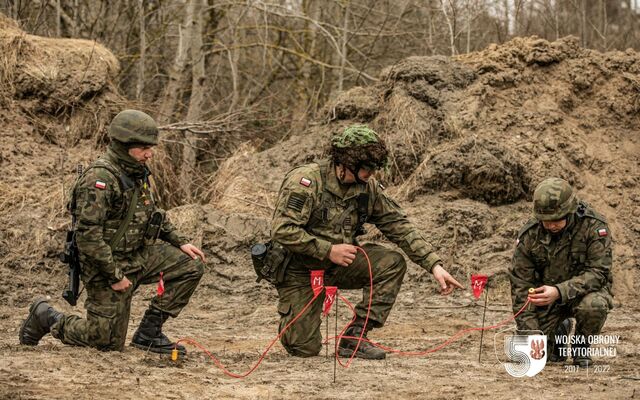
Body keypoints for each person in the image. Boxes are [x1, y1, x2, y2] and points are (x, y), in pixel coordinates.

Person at [269, 124, 463, 360]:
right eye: (366, 169)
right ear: (346, 162)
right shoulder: (306, 181)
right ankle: (296, 319)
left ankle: (355, 336)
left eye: (373, 169)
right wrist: (328, 250)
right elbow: (283, 230)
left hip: (339, 265)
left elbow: (398, 225)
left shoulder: (367, 188)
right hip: (300, 270)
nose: (370, 175)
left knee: (391, 263)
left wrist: (434, 265)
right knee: (304, 348)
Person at [19, 110, 206, 354]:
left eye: (150, 147)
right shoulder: (99, 180)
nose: (149, 154)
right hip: (105, 266)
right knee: (105, 342)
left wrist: (180, 242)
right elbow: (88, 238)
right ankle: (48, 317)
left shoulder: (137, 173)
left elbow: (152, 214)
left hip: (138, 255)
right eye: (143, 148)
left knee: (191, 264)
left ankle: (149, 333)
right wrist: (116, 276)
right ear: (123, 145)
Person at [509, 177, 613, 367]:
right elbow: (521, 287)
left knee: (594, 306)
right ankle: (558, 334)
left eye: (557, 219)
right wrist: (532, 337)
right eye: (546, 221)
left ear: (570, 210)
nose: (551, 225)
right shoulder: (529, 235)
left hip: (584, 294)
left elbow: (599, 273)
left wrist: (559, 291)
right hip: (546, 301)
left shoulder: (594, 227)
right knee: (536, 358)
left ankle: (581, 350)